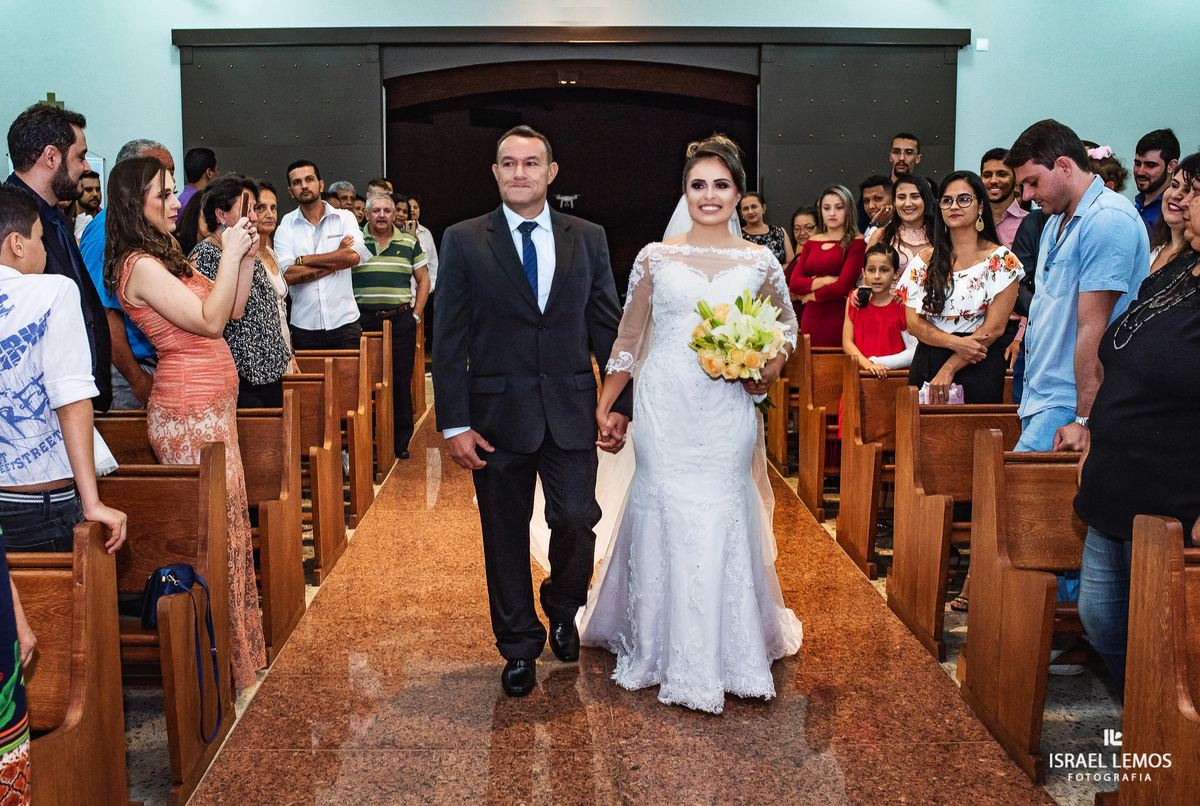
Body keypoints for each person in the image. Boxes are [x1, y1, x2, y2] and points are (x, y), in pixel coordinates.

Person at [580, 135, 802, 714]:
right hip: (665, 403)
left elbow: (788, 329)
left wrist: (766, 369)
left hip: (727, 406)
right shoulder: (656, 257)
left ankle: (730, 646)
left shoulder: (759, 261)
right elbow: (629, 336)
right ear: (684, 192)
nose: (709, 195)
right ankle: (656, 642)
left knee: (723, 501)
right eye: (698, 184)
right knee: (664, 500)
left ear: (738, 193)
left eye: (721, 185)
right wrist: (608, 400)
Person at [432, 125, 632, 698]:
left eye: (531, 162)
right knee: (503, 533)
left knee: (576, 519)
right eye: (509, 163)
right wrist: (454, 422)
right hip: (494, 417)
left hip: (571, 409)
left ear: (551, 172)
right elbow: (448, 336)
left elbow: (607, 324)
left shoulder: (587, 237)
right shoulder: (464, 239)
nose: (519, 172)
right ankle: (518, 644)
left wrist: (618, 403)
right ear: (495, 172)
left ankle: (563, 606)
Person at [107, 155, 266, 690]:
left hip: (214, 410)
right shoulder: (138, 265)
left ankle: (236, 658)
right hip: (188, 415)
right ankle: (216, 660)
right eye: (164, 193)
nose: (177, 202)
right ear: (135, 203)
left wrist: (243, 256)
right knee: (212, 534)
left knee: (229, 528)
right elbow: (208, 321)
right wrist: (229, 254)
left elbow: (234, 309)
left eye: (175, 191)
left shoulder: (166, 255)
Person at [1073, 152, 1200, 700]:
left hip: (1173, 489)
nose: (1181, 200)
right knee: (1101, 617)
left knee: (1159, 631)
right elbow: (1123, 358)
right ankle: (1139, 709)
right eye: (1180, 187)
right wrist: (1092, 432)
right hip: (1116, 477)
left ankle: (1152, 726)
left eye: (1194, 191)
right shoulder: (1177, 268)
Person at [1004, 120, 1150, 453]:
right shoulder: (1056, 219)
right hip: (1043, 397)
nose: (1027, 196)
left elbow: (1093, 327)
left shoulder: (1107, 219)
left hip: (1071, 403)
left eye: (1032, 182)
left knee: (1009, 486)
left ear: (1064, 166)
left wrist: (1085, 419)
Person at [0, 183, 127, 553]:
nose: (44, 249)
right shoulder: (53, 291)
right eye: (40, 238)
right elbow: (70, 399)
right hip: (36, 501)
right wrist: (92, 501)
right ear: (17, 244)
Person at [5, 103, 111, 411]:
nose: (86, 167)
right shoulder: (11, 221)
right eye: (80, 156)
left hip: (75, 395)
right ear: (51, 157)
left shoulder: (55, 215)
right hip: (42, 402)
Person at [896, 171, 1020, 404]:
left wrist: (949, 368)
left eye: (964, 199)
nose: (954, 206)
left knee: (976, 428)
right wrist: (955, 343)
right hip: (929, 359)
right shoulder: (923, 261)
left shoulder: (1002, 261)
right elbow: (913, 324)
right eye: (947, 200)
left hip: (978, 360)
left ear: (980, 206)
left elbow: (994, 329)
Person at [80, 139, 175, 411]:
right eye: (158, 173)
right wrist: (136, 379)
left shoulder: (150, 229)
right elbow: (104, 315)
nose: (168, 180)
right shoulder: (105, 233)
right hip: (127, 369)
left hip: (154, 361)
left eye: (170, 173)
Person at [192, 176, 292, 407]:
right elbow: (231, 313)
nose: (254, 217)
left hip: (269, 373)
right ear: (221, 214)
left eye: (254, 209)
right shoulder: (208, 254)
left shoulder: (247, 250)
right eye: (248, 209)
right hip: (243, 376)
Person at [356, 192, 429, 459]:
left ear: (394, 214)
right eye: (376, 210)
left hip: (400, 321)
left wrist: (416, 315)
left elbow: (424, 280)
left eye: (387, 210)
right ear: (366, 214)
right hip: (363, 321)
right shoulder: (355, 241)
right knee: (365, 382)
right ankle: (369, 438)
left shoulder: (409, 242)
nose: (382, 215)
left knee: (400, 380)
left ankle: (400, 441)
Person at [274, 159, 370, 350]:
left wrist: (304, 260)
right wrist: (337, 259)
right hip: (304, 326)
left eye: (309, 179)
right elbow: (288, 276)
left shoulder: (344, 218)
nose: (304, 185)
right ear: (291, 191)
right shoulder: (286, 226)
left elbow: (353, 257)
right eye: (297, 182)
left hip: (345, 323)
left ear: (321, 184)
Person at [789, 185, 866, 346]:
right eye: (826, 208)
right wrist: (825, 280)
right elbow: (795, 283)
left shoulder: (856, 242)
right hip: (811, 316)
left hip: (838, 315)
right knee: (808, 359)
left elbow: (842, 287)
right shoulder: (811, 242)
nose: (832, 213)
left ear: (849, 210)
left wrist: (811, 296)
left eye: (839, 208)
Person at [843, 243, 916, 376]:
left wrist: (877, 363)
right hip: (861, 374)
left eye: (884, 270)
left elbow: (912, 350)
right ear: (864, 272)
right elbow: (847, 343)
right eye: (871, 270)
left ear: (896, 273)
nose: (877, 276)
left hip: (895, 377)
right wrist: (868, 365)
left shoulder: (902, 305)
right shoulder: (854, 302)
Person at [865, 173, 935, 278]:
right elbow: (867, 280)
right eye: (901, 197)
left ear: (926, 200)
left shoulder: (940, 236)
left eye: (915, 196)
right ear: (894, 202)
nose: (908, 203)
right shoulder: (881, 236)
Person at [253, 180, 293, 360]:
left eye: (273, 208)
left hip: (282, 341)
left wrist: (291, 351)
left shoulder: (271, 253)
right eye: (261, 208)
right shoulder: (245, 256)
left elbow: (282, 311)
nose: (270, 214)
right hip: (259, 348)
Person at [1133, 128, 1180, 232]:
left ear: (1171, 166)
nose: (1140, 172)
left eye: (1150, 165)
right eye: (1137, 164)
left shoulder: (1176, 209)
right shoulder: (1137, 204)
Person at [979, 148, 1027, 249]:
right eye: (987, 175)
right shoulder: (970, 220)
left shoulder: (1028, 223)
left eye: (1002, 174)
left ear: (1016, 179)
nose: (993, 180)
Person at [1149, 166, 1190, 274]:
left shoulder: (1195, 263)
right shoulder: (1155, 247)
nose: (1175, 195)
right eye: (1174, 185)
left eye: (1188, 190)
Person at [739, 191, 793, 265]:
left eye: (754, 206)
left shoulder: (779, 232)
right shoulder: (738, 235)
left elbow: (791, 264)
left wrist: (773, 270)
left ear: (763, 207)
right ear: (741, 212)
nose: (750, 211)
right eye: (745, 208)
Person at [407, 194, 438, 289]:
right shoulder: (398, 231)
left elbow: (433, 261)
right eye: (409, 207)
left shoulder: (426, 233)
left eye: (415, 207)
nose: (412, 210)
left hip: (425, 287)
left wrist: (432, 285)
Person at [178, 147, 218, 212]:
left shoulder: (182, 200)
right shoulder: (199, 205)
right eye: (217, 170)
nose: (219, 174)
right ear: (209, 173)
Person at [68, 170, 102, 240]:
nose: (95, 194)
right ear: (77, 191)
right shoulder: (66, 220)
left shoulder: (107, 218)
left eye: (98, 189)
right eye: (89, 190)